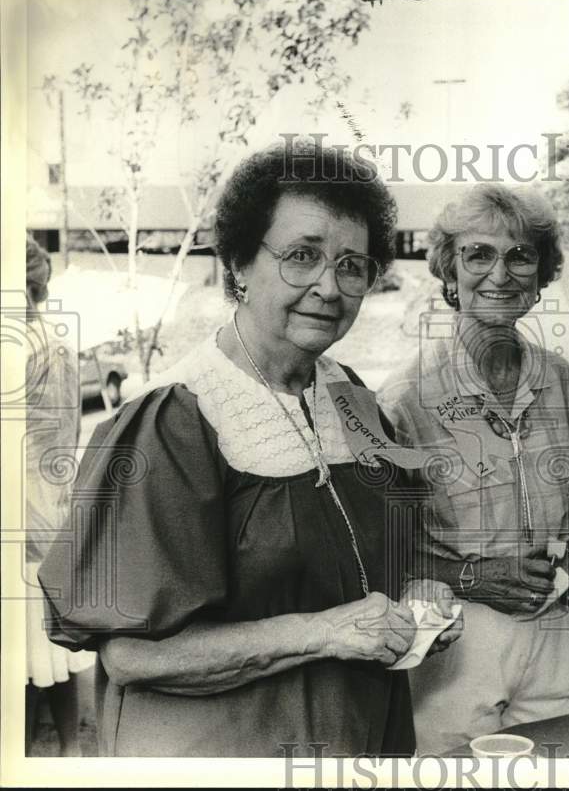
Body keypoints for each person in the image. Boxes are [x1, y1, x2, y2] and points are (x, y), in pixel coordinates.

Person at [38, 141, 459, 757]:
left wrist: (418, 595)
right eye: (301, 256)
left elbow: (373, 565)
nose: (328, 286)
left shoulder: (354, 401)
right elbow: (130, 654)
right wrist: (323, 633)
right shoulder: (176, 419)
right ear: (236, 262)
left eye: (352, 265)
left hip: (354, 738)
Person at [378, 184, 569, 755]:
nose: (500, 275)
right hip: (455, 638)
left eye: (520, 256)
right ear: (448, 272)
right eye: (478, 254)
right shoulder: (405, 400)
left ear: (540, 278)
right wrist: (472, 577)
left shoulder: (566, 386)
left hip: (553, 634)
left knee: (565, 764)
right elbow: (381, 550)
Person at [24, 235, 94, 757]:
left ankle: (53, 751)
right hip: (48, 504)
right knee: (46, 648)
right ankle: (63, 749)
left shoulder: (30, 346)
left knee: (34, 646)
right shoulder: (53, 342)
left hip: (31, 509)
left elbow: (48, 440)